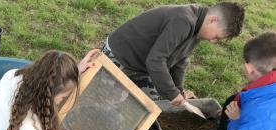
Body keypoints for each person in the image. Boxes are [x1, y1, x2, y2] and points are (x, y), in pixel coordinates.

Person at [102, 2, 245, 104]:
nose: (213, 41)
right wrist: (172, 93)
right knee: (110, 103)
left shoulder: (199, 28)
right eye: (216, 37)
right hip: (120, 57)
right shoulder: (183, 21)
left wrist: (178, 90)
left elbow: (181, 61)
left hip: (143, 64)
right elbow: (156, 60)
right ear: (212, 20)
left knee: (156, 103)